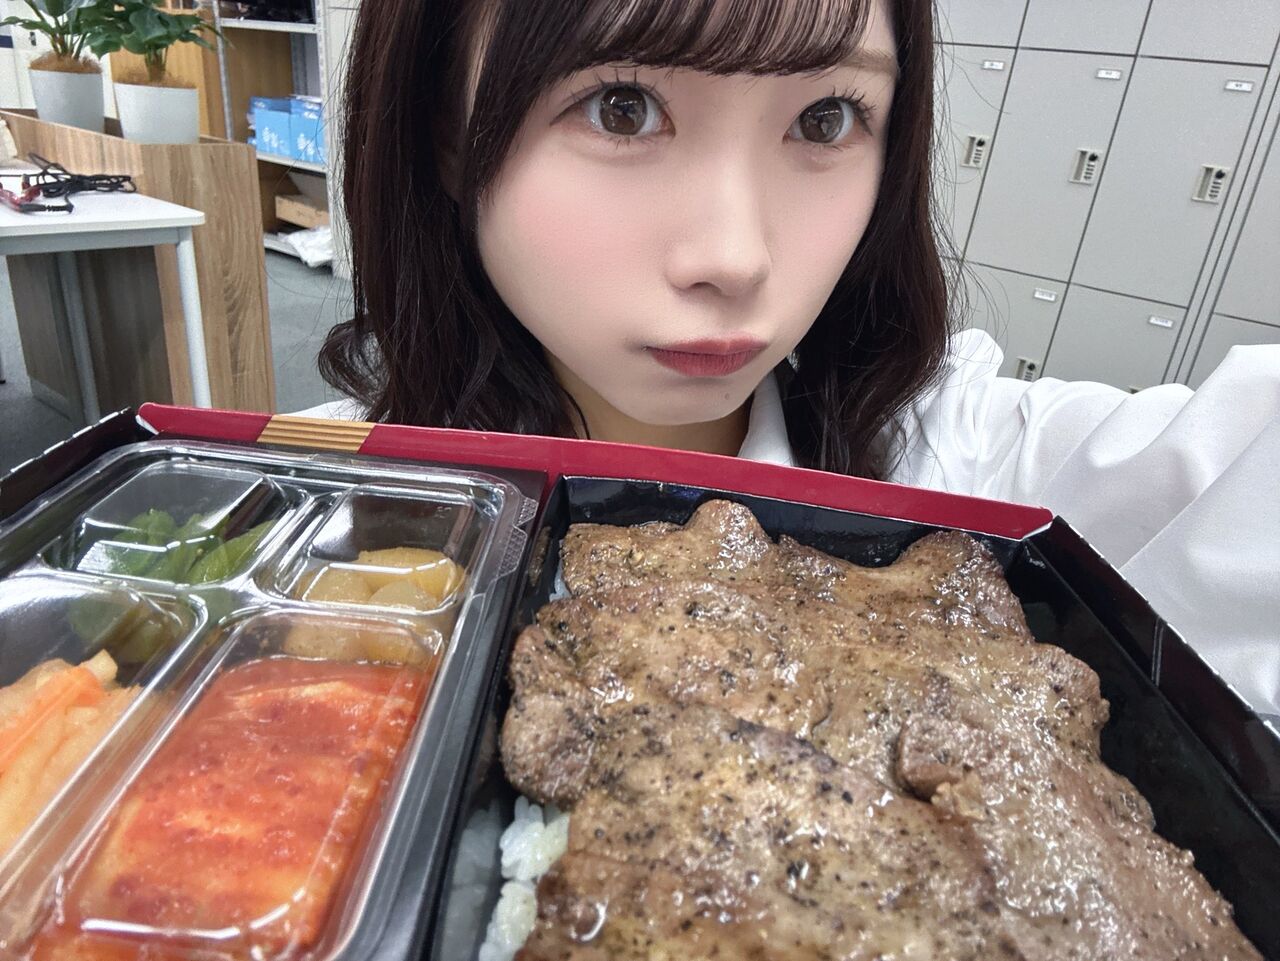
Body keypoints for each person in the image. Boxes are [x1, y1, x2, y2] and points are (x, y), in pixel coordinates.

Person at [297, 0, 1279, 714]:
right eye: (621, 107)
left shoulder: (964, 467)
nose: (735, 258)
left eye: (825, 119)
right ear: (444, 136)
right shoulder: (308, 511)